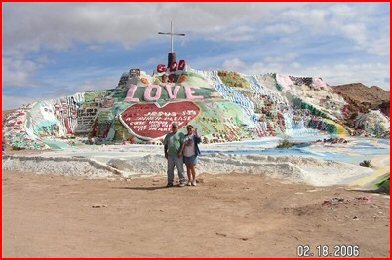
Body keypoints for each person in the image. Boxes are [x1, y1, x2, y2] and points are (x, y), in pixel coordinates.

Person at [163, 122, 186, 187]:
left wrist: (181, 152)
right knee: (170, 169)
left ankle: (182, 181)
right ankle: (170, 182)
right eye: (173, 127)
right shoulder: (168, 135)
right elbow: (165, 144)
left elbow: (183, 144)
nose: (174, 128)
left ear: (177, 127)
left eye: (175, 127)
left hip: (178, 155)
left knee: (180, 169)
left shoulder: (180, 134)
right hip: (170, 155)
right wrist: (165, 153)